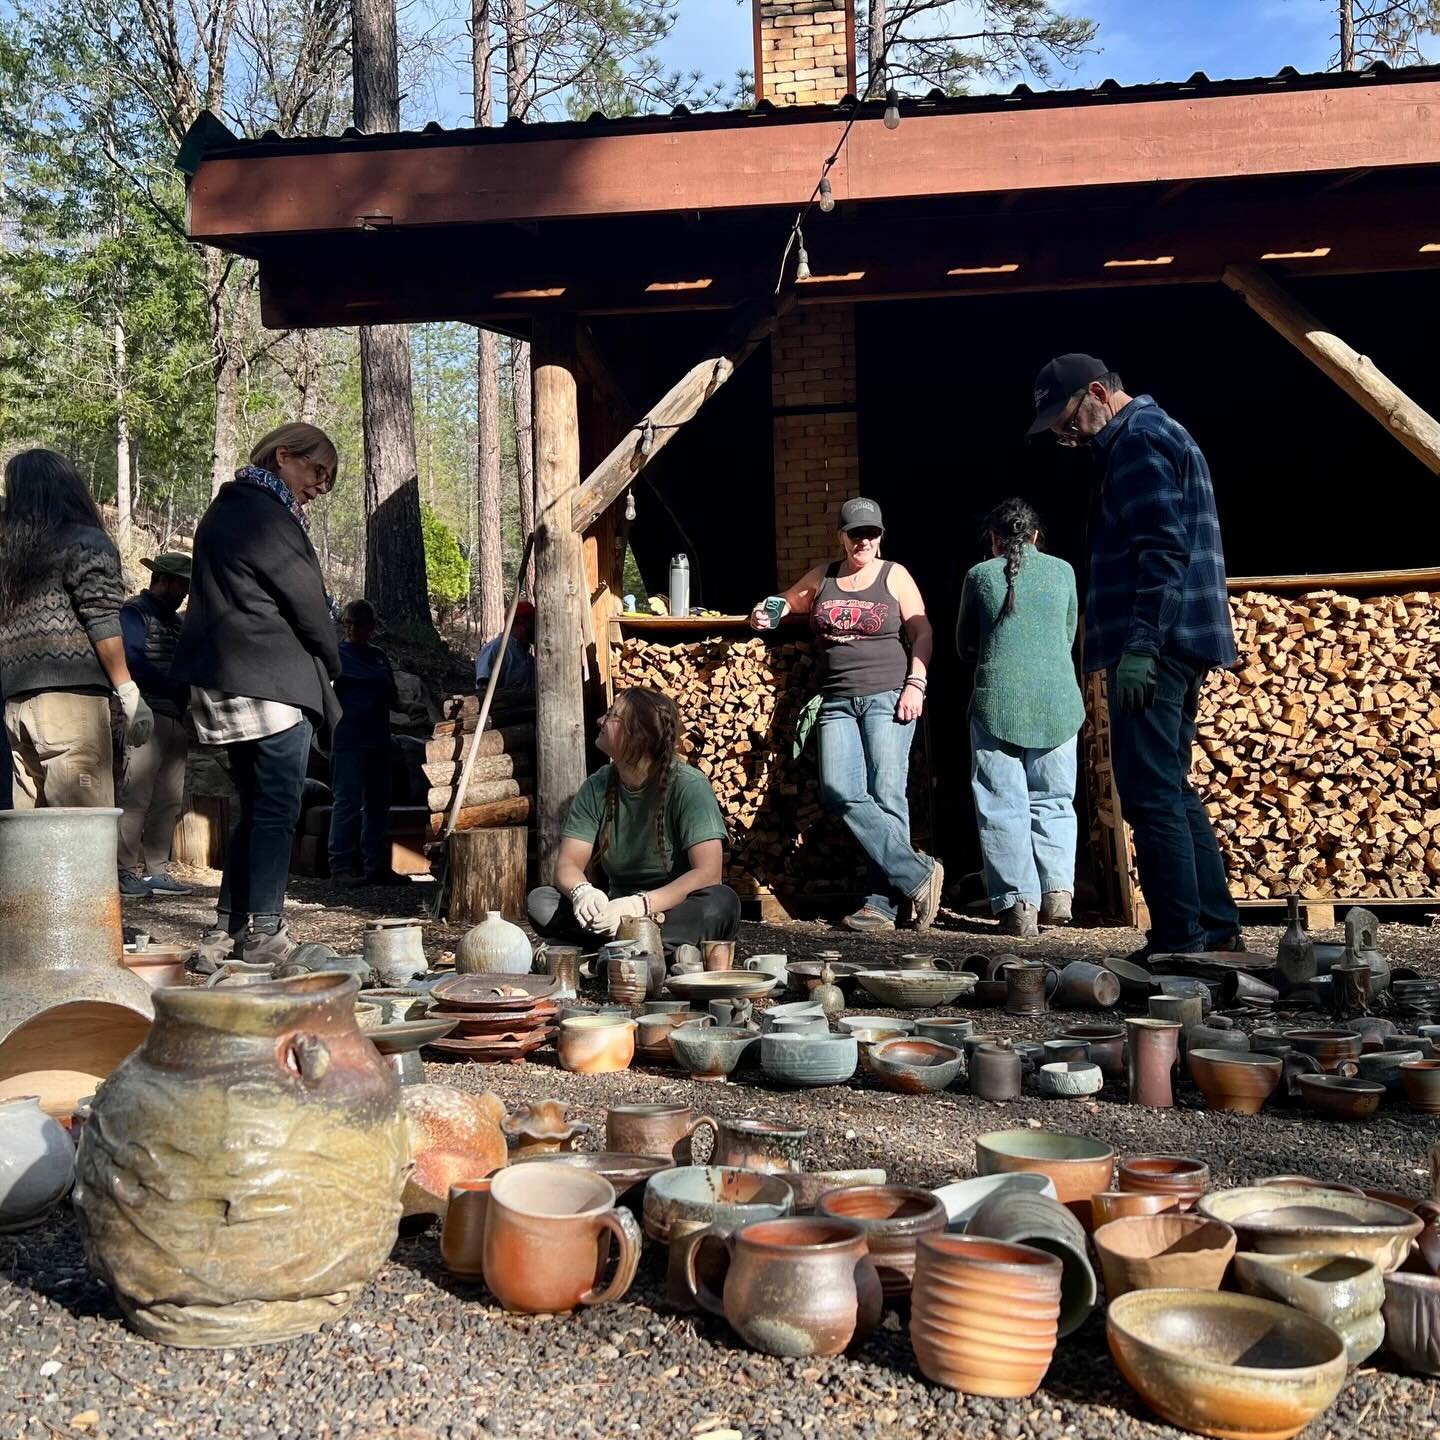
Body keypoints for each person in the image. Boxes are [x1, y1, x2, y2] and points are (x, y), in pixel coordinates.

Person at [1029, 353, 1242, 958]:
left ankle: (1180, 940)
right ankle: (1214, 929)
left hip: (1158, 642)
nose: (1070, 439)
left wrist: (1142, 646)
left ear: (1099, 393)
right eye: (1060, 433)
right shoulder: (1156, 432)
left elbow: (1163, 550)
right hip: (1179, 637)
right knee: (1169, 785)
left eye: (1070, 422)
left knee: (1148, 791)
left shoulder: (1137, 442)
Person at [171, 423, 341, 966]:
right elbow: (308, 603)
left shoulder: (225, 509)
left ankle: (226, 930)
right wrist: (332, 660)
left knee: (255, 808)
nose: (321, 486)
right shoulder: (268, 515)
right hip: (271, 683)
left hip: (224, 682)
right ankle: (265, 932)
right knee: (277, 811)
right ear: (284, 455)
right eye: (318, 471)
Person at [749, 497, 943, 933]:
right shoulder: (825, 576)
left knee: (887, 794)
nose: (864, 541)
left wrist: (916, 683)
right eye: (856, 533)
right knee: (840, 790)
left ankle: (883, 903)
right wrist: (766, 611)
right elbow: (787, 601)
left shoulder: (894, 575)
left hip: (888, 695)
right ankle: (917, 874)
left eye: (871, 533)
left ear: (881, 536)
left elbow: (922, 631)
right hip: (836, 700)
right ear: (841, 536)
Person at [527, 686, 740, 948]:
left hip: (671, 912)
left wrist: (639, 905)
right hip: (613, 915)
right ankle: (649, 949)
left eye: (612, 716)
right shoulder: (596, 786)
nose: (600, 721)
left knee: (721, 903)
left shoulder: (689, 786)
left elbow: (708, 873)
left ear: (637, 734)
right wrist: (583, 892)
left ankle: (622, 948)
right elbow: (567, 864)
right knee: (541, 901)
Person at [956, 499, 1084, 937]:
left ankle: (1018, 905)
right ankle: (1057, 892)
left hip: (997, 703)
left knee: (1002, 802)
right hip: (1058, 701)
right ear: (1035, 536)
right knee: (1055, 798)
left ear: (994, 539)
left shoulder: (979, 575)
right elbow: (1068, 634)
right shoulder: (1064, 571)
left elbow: (964, 645)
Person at [0, 449, 153, 807]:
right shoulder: (85, 541)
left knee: (30, 828)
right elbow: (102, 619)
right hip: (70, 705)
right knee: (83, 824)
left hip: (16, 707)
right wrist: (127, 690)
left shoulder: (10, 557)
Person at [117, 553, 194, 897]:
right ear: (162, 580)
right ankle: (124, 869)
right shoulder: (135, 612)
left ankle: (157, 870)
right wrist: (171, 684)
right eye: (181, 584)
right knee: (136, 795)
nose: (185, 592)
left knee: (169, 799)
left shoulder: (178, 624)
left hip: (175, 715)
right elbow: (132, 658)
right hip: (145, 712)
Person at [328, 598, 399, 886]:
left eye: (360, 624)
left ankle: (377, 865)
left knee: (378, 804)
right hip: (348, 738)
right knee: (347, 802)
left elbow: (392, 696)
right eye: (349, 624)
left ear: (371, 627)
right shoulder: (337, 655)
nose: (354, 629)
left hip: (379, 738)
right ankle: (341, 866)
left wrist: (411, 707)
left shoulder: (379, 656)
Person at [475, 600, 535, 692]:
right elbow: (484, 693)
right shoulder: (495, 649)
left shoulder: (529, 658)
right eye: (534, 621)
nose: (538, 627)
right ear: (522, 621)